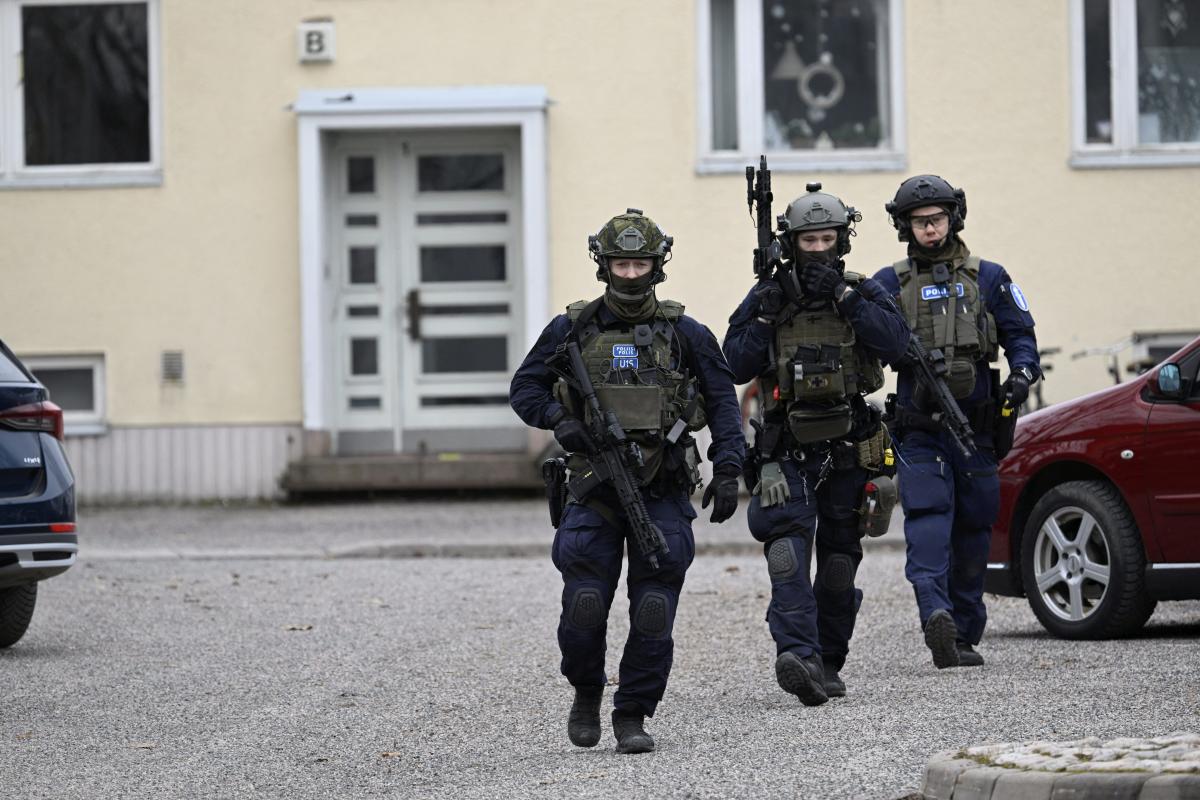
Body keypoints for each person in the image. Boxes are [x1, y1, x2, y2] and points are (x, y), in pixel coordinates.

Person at [509, 209, 744, 753]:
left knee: (654, 608)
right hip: (594, 487)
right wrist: (560, 420)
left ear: (657, 265)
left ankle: (633, 712)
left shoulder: (686, 333)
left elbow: (722, 403)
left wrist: (730, 467)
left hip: (661, 487)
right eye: (622, 264)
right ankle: (587, 690)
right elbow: (525, 388)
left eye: (640, 264)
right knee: (585, 602)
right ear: (604, 265)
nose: (631, 274)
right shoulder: (572, 329)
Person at [723, 183, 908, 704]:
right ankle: (797, 655)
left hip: (849, 448)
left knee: (838, 566)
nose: (819, 250)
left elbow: (898, 345)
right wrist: (765, 317)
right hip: (786, 451)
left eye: (828, 239)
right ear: (792, 243)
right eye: (809, 241)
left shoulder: (862, 291)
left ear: (842, 240)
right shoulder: (768, 297)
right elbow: (732, 364)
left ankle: (828, 659)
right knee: (786, 556)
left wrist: (846, 300)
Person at [872, 174, 1040, 669]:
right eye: (920, 221)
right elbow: (864, 344)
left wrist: (1022, 375)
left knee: (974, 530)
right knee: (928, 520)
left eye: (938, 219)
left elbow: (1021, 336)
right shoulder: (889, 283)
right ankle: (936, 613)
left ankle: (964, 635)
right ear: (905, 226)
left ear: (954, 218)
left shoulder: (989, 277)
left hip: (977, 428)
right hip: (920, 429)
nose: (930, 229)